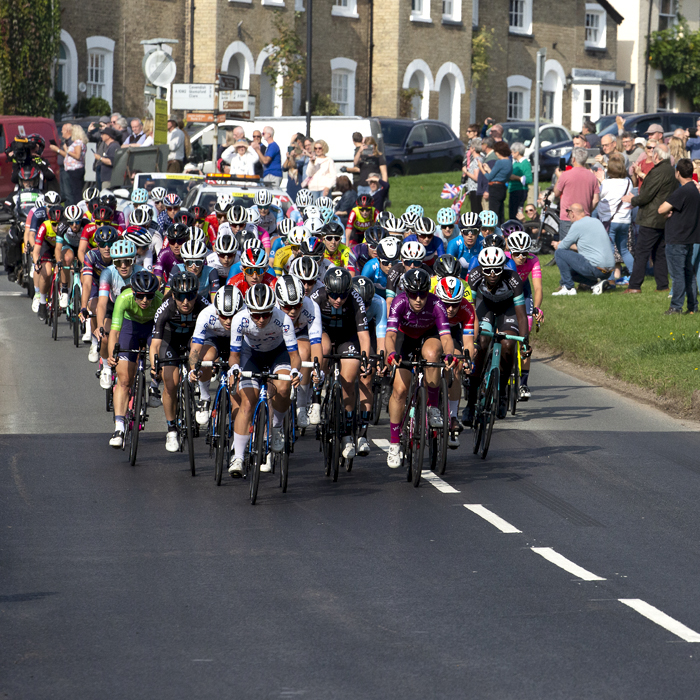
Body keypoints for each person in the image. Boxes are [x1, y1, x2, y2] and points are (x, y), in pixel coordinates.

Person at [384, 268, 456, 468]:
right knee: (399, 391)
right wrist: (390, 354)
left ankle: (432, 406)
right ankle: (395, 443)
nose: (418, 299)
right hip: (405, 340)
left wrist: (449, 354)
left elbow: (446, 338)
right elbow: (389, 336)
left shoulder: (436, 304)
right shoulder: (399, 303)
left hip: (428, 336)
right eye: (413, 294)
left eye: (422, 294)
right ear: (406, 292)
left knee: (433, 356)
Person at [227, 284, 301, 475]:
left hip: (278, 354)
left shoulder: (283, 319)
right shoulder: (239, 319)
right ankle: (238, 457)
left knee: (284, 388)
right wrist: (234, 368)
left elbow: (294, 355)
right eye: (256, 315)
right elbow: (234, 354)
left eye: (265, 314)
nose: (261, 319)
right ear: (249, 311)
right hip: (250, 355)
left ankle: (276, 428)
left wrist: (295, 371)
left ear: (272, 310)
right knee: (247, 403)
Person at [310, 268, 371, 457]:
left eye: (342, 295)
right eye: (334, 295)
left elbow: (363, 336)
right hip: (325, 333)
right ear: (327, 290)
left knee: (350, 376)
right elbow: (312, 332)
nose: (338, 299)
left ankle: (347, 428)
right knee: (325, 349)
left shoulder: (355, 298)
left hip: (347, 336)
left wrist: (365, 360)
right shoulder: (317, 297)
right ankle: (317, 398)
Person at [464, 247, 529, 424]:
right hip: (484, 307)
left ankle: (502, 394)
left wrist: (525, 342)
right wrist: (472, 338)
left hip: (507, 310)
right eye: (487, 270)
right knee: (483, 342)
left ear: (503, 267)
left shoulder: (513, 279)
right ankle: (470, 403)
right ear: (481, 268)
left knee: (508, 345)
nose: (492, 274)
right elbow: (470, 312)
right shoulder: (475, 277)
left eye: (497, 270)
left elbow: (522, 315)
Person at [150, 270, 212, 450]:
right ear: (174, 295)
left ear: (197, 294)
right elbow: (155, 344)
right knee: (171, 383)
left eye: (191, 296)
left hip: (193, 339)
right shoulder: (166, 307)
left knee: (202, 356)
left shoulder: (203, 305)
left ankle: (201, 397)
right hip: (170, 341)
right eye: (181, 297)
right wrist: (155, 367)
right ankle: (171, 430)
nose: (186, 302)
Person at [107, 270, 164, 448]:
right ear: (134, 293)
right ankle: (119, 428)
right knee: (124, 380)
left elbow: (163, 337)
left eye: (149, 296)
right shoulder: (124, 299)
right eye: (140, 296)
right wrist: (112, 355)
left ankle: (154, 385)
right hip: (129, 327)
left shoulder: (161, 300)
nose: (145, 300)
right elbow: (115, 332)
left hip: (151, 327)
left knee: (161, 356)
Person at [622, 145, 677, 294]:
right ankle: (662, 285)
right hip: (662, 217)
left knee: (642, 253)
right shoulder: (670, 170)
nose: (651, 155)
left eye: (653, 153)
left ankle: (634, 285)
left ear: (657, 156)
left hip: (651, 218)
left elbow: (647, 194)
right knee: (659, 252)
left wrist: (632, 200)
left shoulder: (659, 171)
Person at [657, 158, 700, 314]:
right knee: (689, 273)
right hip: (689, 237)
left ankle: (676, 306)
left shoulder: (682, 191)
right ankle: (693, 306)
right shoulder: (695, 190)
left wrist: (668, 210)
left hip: (677, 238)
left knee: (678, 274)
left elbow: (661, 209)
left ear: (678, 173)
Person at [551, 203, 615, 295]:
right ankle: (597, 284)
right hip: (608, 272)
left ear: (572, 213)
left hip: (596, 268)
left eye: (567, 212)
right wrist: (564, 244)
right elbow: (586, 246)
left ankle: (568, 288)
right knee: (570, 273)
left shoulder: (577, 225)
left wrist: (558, 244)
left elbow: (562, 247)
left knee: (559, 253)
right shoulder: (596, 221)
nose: (567, 215)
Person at [598, 153, 634, 283]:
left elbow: (600, 195)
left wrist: (601, 181)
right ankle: (635, 275)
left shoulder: (607, 183)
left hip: (610, 221)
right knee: (623, 249)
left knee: (609, 250)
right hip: (625, 220)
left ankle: (611, 277)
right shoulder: (628, 182)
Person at [553, 147, 599, 238]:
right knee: (582, 247)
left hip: (567, 217)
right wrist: (587, 211)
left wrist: (559, 177)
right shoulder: (592, 176)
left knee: (566, 248)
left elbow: (556, 193)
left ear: (573, 159)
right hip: (584, 217)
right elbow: (596, 200)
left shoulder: (565, 175)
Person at [50, 123, 87, 206]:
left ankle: (75, 208)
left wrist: (67, 151)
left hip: (75, 169)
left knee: (74, 192)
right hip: (71, 169)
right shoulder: (77, 142)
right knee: (71, 191)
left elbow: (77, 156)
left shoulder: (78, 142)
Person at [478, 141, 512, 224]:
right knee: (500, 212)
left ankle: (495, 231)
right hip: (502, 188)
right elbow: (498, 175)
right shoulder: (509, 162)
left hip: (494, 188)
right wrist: (488, 169)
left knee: (494, 213)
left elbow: (489, 177)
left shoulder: (499, 162)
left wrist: (481, 167)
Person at [508, 142, 532, 220]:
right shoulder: (515, 163)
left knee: (517, 214)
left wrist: (516, 178)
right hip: (513, 190)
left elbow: (529, 179)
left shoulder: (525, 163)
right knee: (512, 214)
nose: (511, 154)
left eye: (512, 152)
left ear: (517, 152)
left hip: (520, 191)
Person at [462, 137, 483, 214]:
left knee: (476, 211)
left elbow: (476, 177)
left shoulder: (476, 161)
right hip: (476, 190)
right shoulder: (481, 159)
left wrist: (466, 172)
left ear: (473, 148)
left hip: (475, 190)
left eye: (470, 147)